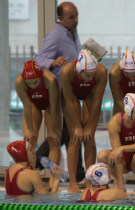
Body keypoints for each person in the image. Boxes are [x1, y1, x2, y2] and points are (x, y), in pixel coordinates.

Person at [35, 1, 85, 182]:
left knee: (70, 131)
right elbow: (39, 59)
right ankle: (35, 162)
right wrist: (51, 63)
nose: (76, 20)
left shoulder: (73, 32)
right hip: (59, 90)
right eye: (71, 17)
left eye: (77, 15)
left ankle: (36, 161)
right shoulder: (55, 36)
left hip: (71, 89)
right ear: (60, 18)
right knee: (68, 132)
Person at [61, 49, 107, 193]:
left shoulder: (101, 71)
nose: (89, 77)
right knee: (75, 137)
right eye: (87, 75)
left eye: (91, 74)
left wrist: (89, 127)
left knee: (89, 138)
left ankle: (89, 181)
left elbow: (98, 100)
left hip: (91, 95)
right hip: (71, 97)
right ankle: (72, 183)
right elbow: (69, 102)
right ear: (79, 71)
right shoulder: (67, 72)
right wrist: (77, 126)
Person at [15, 60, 62, 186]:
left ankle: (53, 180)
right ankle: (27, 177)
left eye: (36, 82)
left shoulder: (50, 80)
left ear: (41, 77)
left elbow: (54, 106)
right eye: (29, 83)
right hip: (32, 105)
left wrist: (52, 130)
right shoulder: (19, 82)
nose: (33, 85)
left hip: (50, 106)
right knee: (29, 140)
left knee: (54, 139)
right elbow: (27, 105)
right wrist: (30, 129)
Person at [97, 93, 135, 195]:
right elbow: (117, 155)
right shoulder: (115, 122)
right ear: (129, 112)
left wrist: (123, 148)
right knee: (102, 156)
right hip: (122, 161)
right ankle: (118, 180)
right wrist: (120, 184)